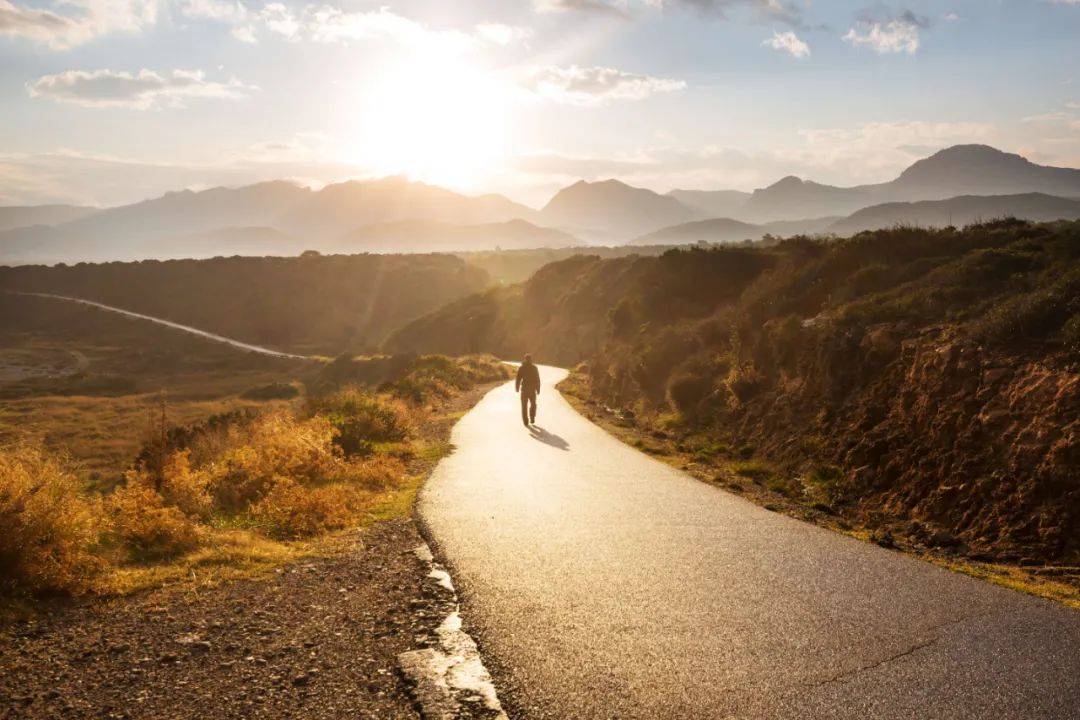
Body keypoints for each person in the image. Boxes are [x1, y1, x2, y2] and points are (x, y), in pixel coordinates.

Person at [515, 354, 541, 427]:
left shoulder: (521, 368)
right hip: (532, 390)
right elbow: (537, 379)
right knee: (533, 404)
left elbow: (518, 379)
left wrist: (517, 388)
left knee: (524, 406)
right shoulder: (534, 368)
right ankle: (532, 417)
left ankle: (525, 421)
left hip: (524, 390)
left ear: (525, 359)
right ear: (531, 359)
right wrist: (538, 389)